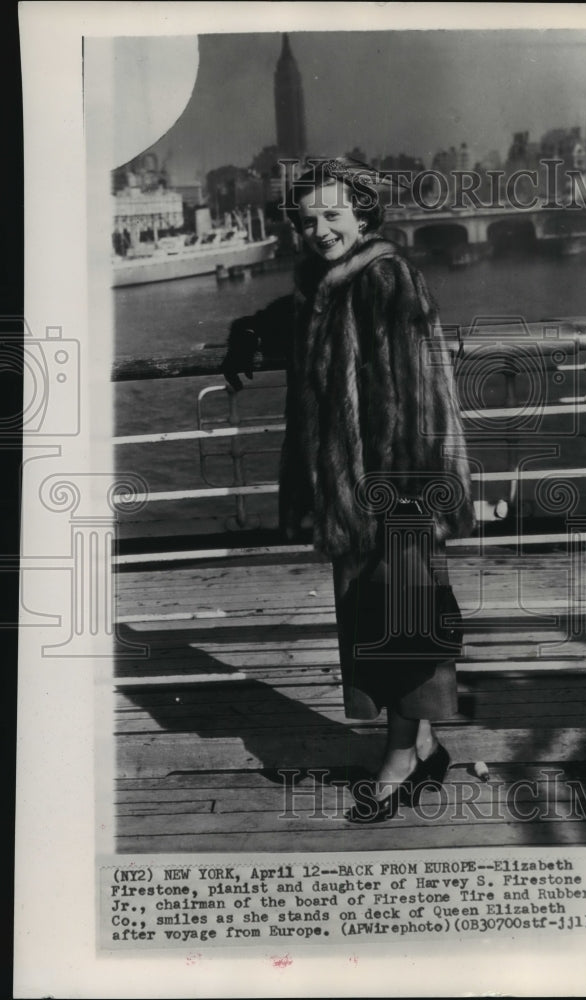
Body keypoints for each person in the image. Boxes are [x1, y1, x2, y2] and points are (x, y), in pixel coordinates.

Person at [221, 158, 475, 823]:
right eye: (307, 220)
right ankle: (423, 743)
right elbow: (309, 321)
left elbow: (412, 398)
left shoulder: (386, 278)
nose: (318, 229)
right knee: (382, 620)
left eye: (332, 215)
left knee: (397, 621)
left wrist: (407, 501)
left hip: (395, 486)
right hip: (355, 491)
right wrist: (251, 330)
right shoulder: (328, 281)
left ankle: (399, 760)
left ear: (363, 214)